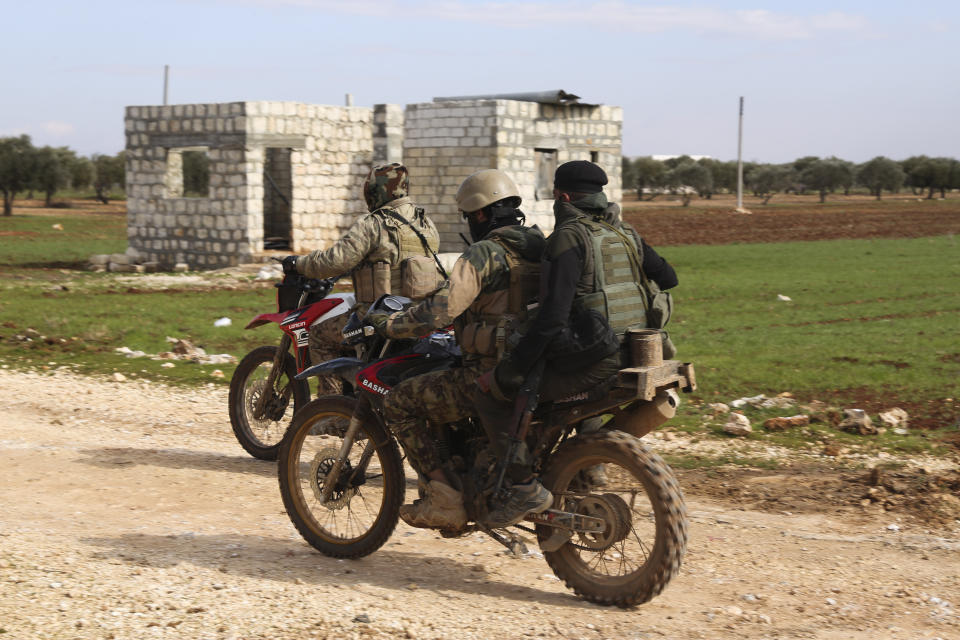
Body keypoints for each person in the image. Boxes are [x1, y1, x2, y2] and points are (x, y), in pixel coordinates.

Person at [473, 159, 679, 527]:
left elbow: (551, 320)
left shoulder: (568, 237)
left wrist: (508, 372)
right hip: (637, 351)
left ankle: (522, 488)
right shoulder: (624, 233)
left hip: (598, 358)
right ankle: (586, 469)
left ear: (563, 196)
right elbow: (668, 277)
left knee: (492, 396)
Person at [371, 169, 545, 530]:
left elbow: (442, 309)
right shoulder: (540, 244)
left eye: (469, 216)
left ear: (481, 214)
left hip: (488, 371)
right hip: (535, 366)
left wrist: (392, 325)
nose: (470, 222)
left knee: (399, 402)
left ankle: (445, 500)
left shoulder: (485, 253)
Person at [282, 163, 442, 385]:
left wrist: (298, 264)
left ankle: (331, 411)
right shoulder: (426, 224)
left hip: (377, 317)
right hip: (418, 316)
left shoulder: (374, 224)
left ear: (375, 191)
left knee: (318, 335)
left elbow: (335, 260)